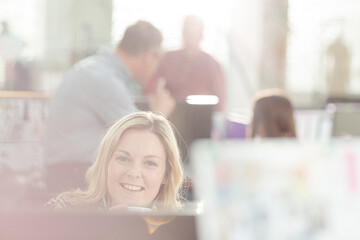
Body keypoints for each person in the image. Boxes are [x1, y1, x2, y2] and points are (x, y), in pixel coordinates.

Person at [43, 21, 175, 193]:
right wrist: (160, 113)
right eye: (159, 61)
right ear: (149, 56)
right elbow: (138, 138)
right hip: (75, 176)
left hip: (68, 172)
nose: (156, 70)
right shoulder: (102, 78)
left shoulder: (96, 70)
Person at [45, 112, 184, 210]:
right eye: (123, 159)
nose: (134, 173)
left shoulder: (185, 228)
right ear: (105, 163)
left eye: (150, 163)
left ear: (166, 174)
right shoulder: (63, 210)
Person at [145, 15, 226, 111]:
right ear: (183, 33)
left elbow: (220, 103)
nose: (190, 39)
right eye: (188, 34)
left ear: (201, 36)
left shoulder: (212, 64)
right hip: (168, 115)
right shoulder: (166, 59)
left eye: (194, 35)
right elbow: (151, 91)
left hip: (199, 118)